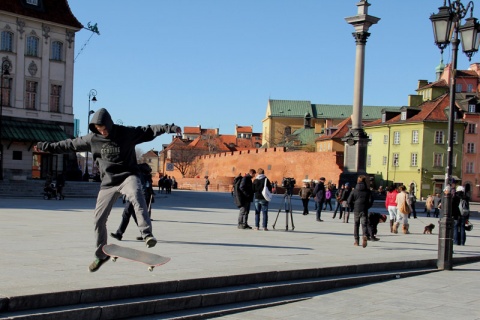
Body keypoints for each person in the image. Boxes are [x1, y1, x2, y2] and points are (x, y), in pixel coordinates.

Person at [35, 108, 181, 272]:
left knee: (136, 194)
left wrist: (170, 128)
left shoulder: (126, 133)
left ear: (110, 125)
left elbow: (149, 130)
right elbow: (69, 144)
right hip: (108, 183)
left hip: (128, 176)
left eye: (105, 128)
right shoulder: (92, 139)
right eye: (99, 129)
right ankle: (101, 254)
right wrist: (46, 146)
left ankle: (146, 233)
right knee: (98, 219)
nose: (103, 132)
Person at [347, 175, 374, 248]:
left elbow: (349, 201)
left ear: (357, 181)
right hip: (364, 209)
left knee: (356, 224)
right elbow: (371, 201)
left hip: (356, 209)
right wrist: (367, 206)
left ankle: (356, 240)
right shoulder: (368, 191)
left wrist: (352, 207)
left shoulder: (354, 191)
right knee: (364, 224)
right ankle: (365, 235)